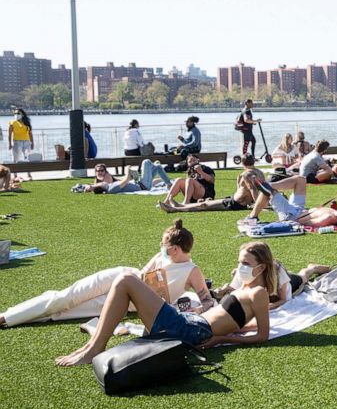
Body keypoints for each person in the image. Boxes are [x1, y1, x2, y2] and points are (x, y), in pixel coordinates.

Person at [55, 240, 275, 366]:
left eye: (245, 263)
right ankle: (92, 346)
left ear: (262, 267)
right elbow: (241, 322)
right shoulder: (246, 289)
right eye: (239, 261)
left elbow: (263, 335)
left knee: (125, 280)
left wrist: (221, 339)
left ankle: (95, 348)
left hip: (191, 330)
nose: (240, 267)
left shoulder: (258, 293)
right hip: (190, 321)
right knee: (126, 284)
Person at [0, 220, 212, 328]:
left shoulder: (192, 271)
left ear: (175, 248)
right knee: (66, 296)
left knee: (66, 312)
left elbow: (206, 300)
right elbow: (145, 273)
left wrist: (199, 309)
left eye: (164, 244)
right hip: (121, 277)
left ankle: (16, 318)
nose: (161, 246)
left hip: (129, 301)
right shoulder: (162, 255)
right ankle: (7, 316)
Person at [159, 154, 263, 213]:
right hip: (235, 201)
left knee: (204, 205)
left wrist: (258, 206)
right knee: (204, 204)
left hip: (234, 203)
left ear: (242, 163)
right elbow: (263, 189)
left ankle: (175, 209)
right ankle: (179, 205)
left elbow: (253, 189)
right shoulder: (260, 173)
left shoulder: (246, 175)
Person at [7, 108, 33, 178]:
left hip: (27, 142)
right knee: (16, 158)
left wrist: (32, 143)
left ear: (22, 114)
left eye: (18, 113)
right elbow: (9, 134)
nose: (16, 115)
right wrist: (9, 144)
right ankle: (15, 174)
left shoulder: (26, 122)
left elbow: (30, 133)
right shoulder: (12, 122)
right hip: (17, 142)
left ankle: (29, 173)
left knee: (27, 158)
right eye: (15, 113)